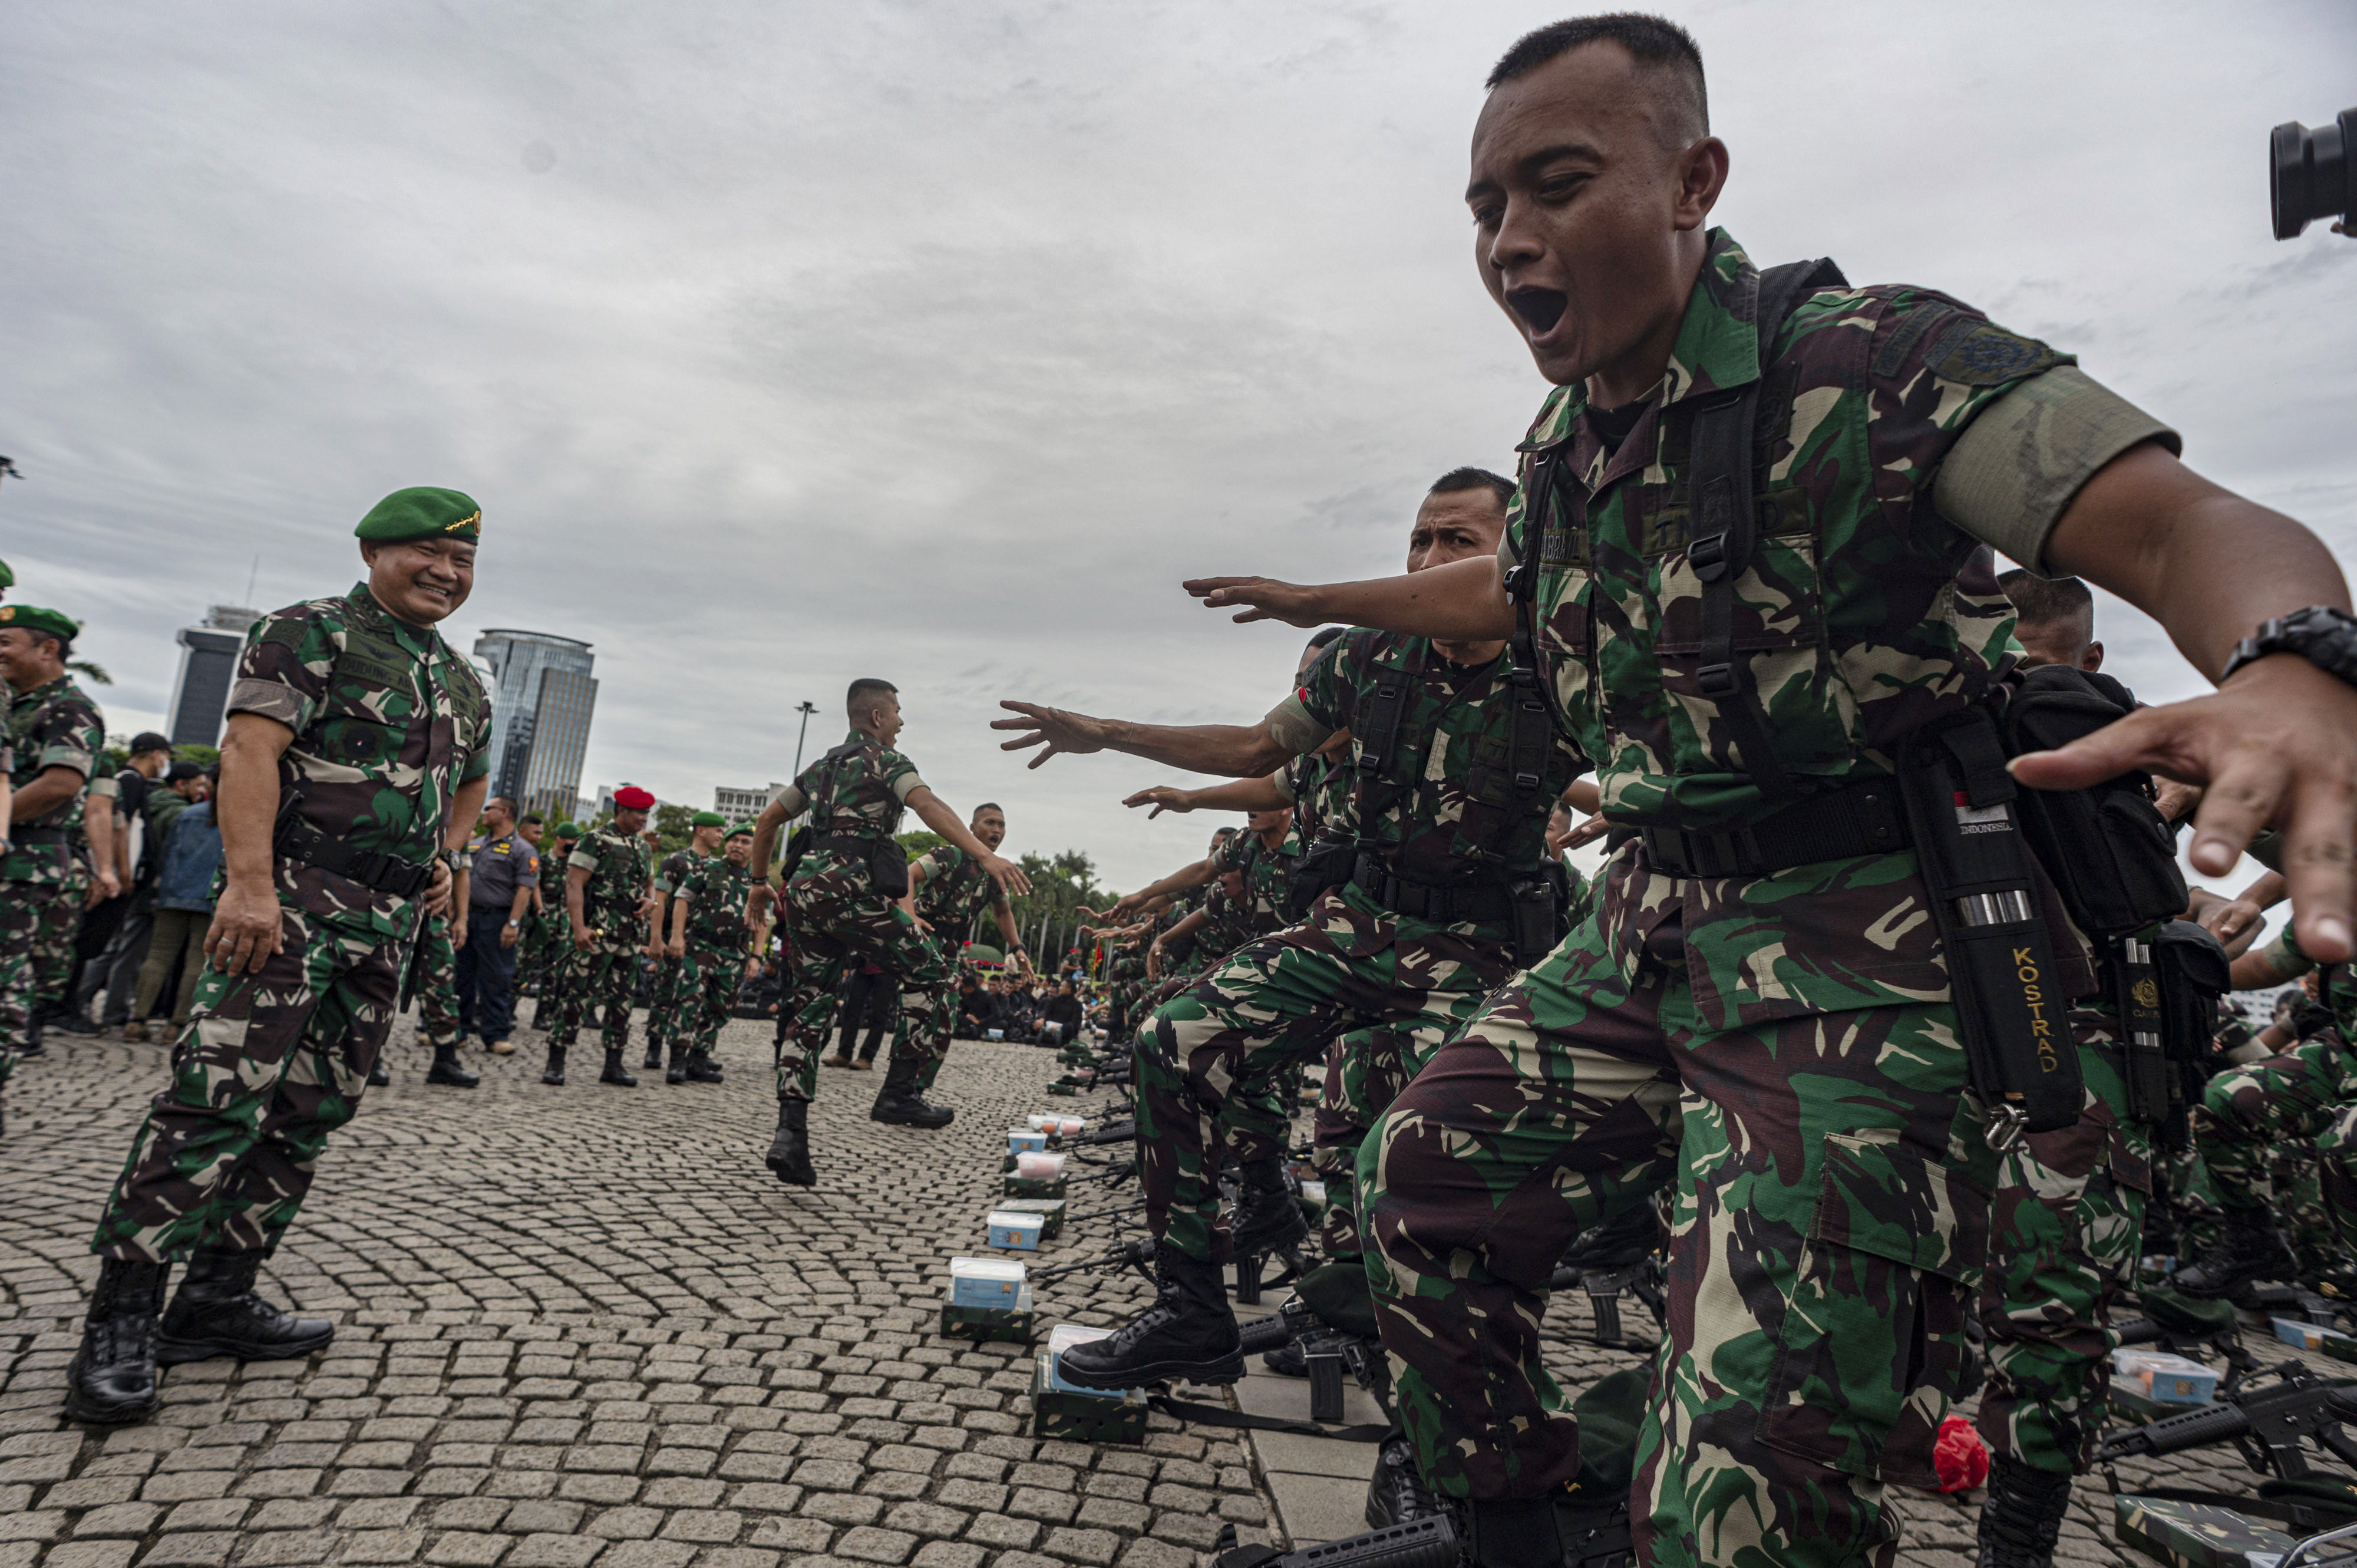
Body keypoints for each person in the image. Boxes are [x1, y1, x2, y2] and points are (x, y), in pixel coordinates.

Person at [1164, 17, 2357, 1568]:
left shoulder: (1870, 364)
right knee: (1426, 1181)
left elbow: (2173, 521)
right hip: (1649, 921)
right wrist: (1313, 601)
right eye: (1484, 208)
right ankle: (1513, 1525)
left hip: (1867, 950)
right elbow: (1491, 598)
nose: (1512, 240)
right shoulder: (1565, 447)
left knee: (1744, 1469)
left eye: (1558, 183)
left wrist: (2297, 662)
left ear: (1692, 179)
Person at [995, 465, 1578, 1397]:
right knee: (1170, 1040)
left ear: (1512, 552)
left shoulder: (1560, 658)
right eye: (1420, 540)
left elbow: (1640, 769)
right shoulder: (1368, 658)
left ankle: (1451, 1420)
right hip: (1360, 923)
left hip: (1483, 948)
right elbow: (1260, 751)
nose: (1429, 559)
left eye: (1457, 542)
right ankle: (1193, 1312)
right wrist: (1104, 732)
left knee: (1423, 1153)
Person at [67, 487, 489, 1426]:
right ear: (376, 550)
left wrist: (445, 857)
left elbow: (475, 778)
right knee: (212, 1100)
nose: (447, 574)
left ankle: (217, 1296)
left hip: (385, 922)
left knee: (308, 1111)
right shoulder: (309, 633)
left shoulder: (460, 680)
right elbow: (250, 754)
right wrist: (249, 885)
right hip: (293, 900)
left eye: (462, 563)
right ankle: (123, 1315)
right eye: (427, 553)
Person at [744, 678, 1029, 1184]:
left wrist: (756, 885)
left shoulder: (821, 767)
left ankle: (791, 1133)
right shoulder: (886, 761)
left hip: (806, 894)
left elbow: (767, 820)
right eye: (897, 711)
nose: (901, 720)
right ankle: (899, 1092)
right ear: (876, 717)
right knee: (936, 970)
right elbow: (926, 804)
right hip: (854, 890)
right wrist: (984, 855)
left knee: (808, 1008)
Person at [1, 608, 111, 1092]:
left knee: (6, 975)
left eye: (6, 641)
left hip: (25, 862)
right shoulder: (13, 704)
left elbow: (61, 784)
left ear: (47, 650)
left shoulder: (68, 707)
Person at [886, 801, 1031, 1097]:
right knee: (918, 1012)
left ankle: (918, 1090)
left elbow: (1003, 913)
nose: (996, 830)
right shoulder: (950, 855)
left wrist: (1018, 949)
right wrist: (910, 916)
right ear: (972, 827)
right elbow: (907, 874)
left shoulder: (994, 871)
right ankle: (897, 1088)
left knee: (945, 1022)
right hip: (925, 940)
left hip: (952, 951)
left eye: (1001, 825)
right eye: (989, 823)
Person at [61, 732, 175, 1035]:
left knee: (95, 945)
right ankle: (65, 1006)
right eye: (166, 756)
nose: (166, 763)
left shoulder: (132, 781)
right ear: (156, 755)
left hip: (120, 877)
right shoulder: (129, 781)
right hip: (114, 879)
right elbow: (116, 826)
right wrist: (114, 872)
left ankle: (71, 1005)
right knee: (87, 943)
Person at [548, 788, 658, 1088]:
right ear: (621, 810)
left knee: (622, 1001)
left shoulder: (643, 846)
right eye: (639, 813)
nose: (644, 818)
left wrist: (651, 903)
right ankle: (556, 1061)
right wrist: (578, 927)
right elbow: (574, 885)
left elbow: (650, 885)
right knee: (577, 994)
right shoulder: (594, 840)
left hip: (629, 936)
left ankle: (614, 1065)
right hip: (597, 930)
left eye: (647, 813)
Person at [651, 813, 753, 1084]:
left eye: (745, 842)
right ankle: (676, 1061)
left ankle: (699, 1060)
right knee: (688, 1000)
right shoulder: (708, 867)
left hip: (734, 953)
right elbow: (681, 900)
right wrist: (674, 937)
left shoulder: (757, 880)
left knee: (720, 1008)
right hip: (701, 946)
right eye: (732, 839)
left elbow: (761, 919)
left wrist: (756, 955)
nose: (736, 845)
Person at [128, 779, 222, 1041]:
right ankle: (177, 1025)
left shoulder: (187, 815)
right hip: (210, 898)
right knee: (196, 961)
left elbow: (167, 854)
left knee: (157, 957)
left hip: (174, 894)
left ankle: (137, 1020)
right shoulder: (237, 819)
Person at [454, 794, 535, 1057]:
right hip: (469, 918)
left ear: (504, 812)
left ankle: (496, 1035)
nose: (483, 813)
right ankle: (458, 1032)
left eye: (488, 809)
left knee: (496, 979)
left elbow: (525, 889)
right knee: (461, 978)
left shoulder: (523, 850)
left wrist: (513, 923)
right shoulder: (475, 845)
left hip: (498, 920)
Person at [827, 958, 899, 1070]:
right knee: (851, 1010)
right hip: (863, 968)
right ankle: (843, 1054)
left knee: (880, 1015)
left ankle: (866, 1057)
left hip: (887, 970)